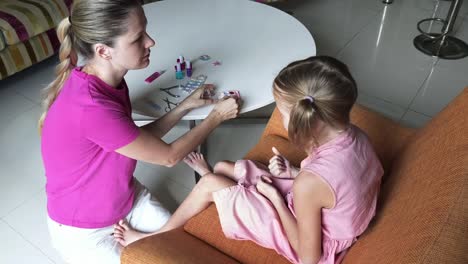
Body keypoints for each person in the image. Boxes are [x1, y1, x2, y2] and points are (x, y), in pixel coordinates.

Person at [114, 56, 384, 264]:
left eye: (282, 112)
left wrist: (277, 200)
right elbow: (339, 187)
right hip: (319, 204)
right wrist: (293, 173)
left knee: (210, 182)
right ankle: (219, 180)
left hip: (315, 241)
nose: (281, 117)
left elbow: (308, 258)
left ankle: (153, 236)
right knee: (223, 168)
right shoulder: (357, 136)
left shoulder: (311, 183)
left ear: (306, 119)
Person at [39, 0, 240, 263]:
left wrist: (184, 106)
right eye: (137, 39)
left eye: (145, 31)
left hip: (126, 199)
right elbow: (167, 157)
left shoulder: (109, 81)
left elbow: (137, 139)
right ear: (104, 51)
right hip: (85, 229)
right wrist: (217, 117)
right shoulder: (91, 106)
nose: (151, 42)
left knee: (183, 246)